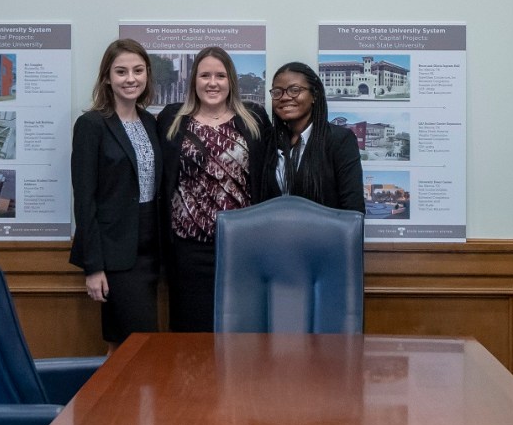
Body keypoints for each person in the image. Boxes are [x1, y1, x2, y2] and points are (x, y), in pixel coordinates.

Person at [157, 46, 270, 332]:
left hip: (242, 247)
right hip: (188, 249)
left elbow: (267, 179)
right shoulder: (171, 119)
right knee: (191, 335)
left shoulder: (253, 119)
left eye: (220, 75)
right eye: (205, 75)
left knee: (241, 333)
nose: (212, 82)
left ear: (230, 80)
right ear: (194, 80)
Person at [70, 39, 162, 352]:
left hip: (151, 249)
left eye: (138, 70)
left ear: (147, 74)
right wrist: (93, 267)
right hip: (117, 255)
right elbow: (84, 201)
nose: (130, 78)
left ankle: (116, 402)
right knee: (140, 344)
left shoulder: (150, 122)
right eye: (121, 71)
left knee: (123, 345)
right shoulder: (91, 125)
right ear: (107, 77)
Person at [259, 61, 365, 213]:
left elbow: (353, 209)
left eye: (294, 90)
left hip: (324, 235)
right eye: (277, 92)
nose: (284, 97)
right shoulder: (269, 142)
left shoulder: (340, 140)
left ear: (314, 95)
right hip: (274, 235)